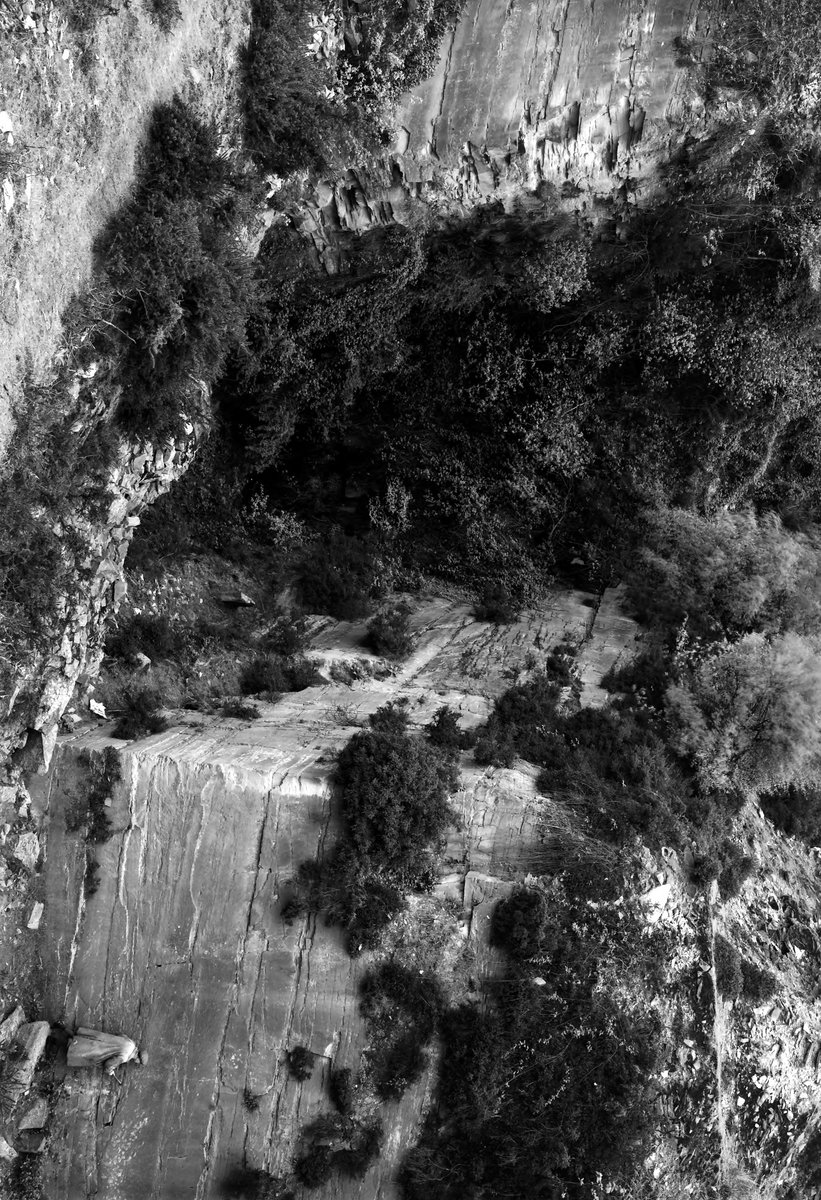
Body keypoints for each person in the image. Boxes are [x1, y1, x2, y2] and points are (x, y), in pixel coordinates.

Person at [66, 1028, 148, 1076]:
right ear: (138, 1059)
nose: (137, 1063)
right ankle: (63, 1040)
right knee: (75, 1047)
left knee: (80, 1037)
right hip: (98, 1049)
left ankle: (63, 1028)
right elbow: (108, 1064)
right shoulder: (124, 1057)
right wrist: (110, 1071)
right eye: (139, 1062)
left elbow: (120, 1035)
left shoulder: (131, 1043)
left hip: (101, 1038)